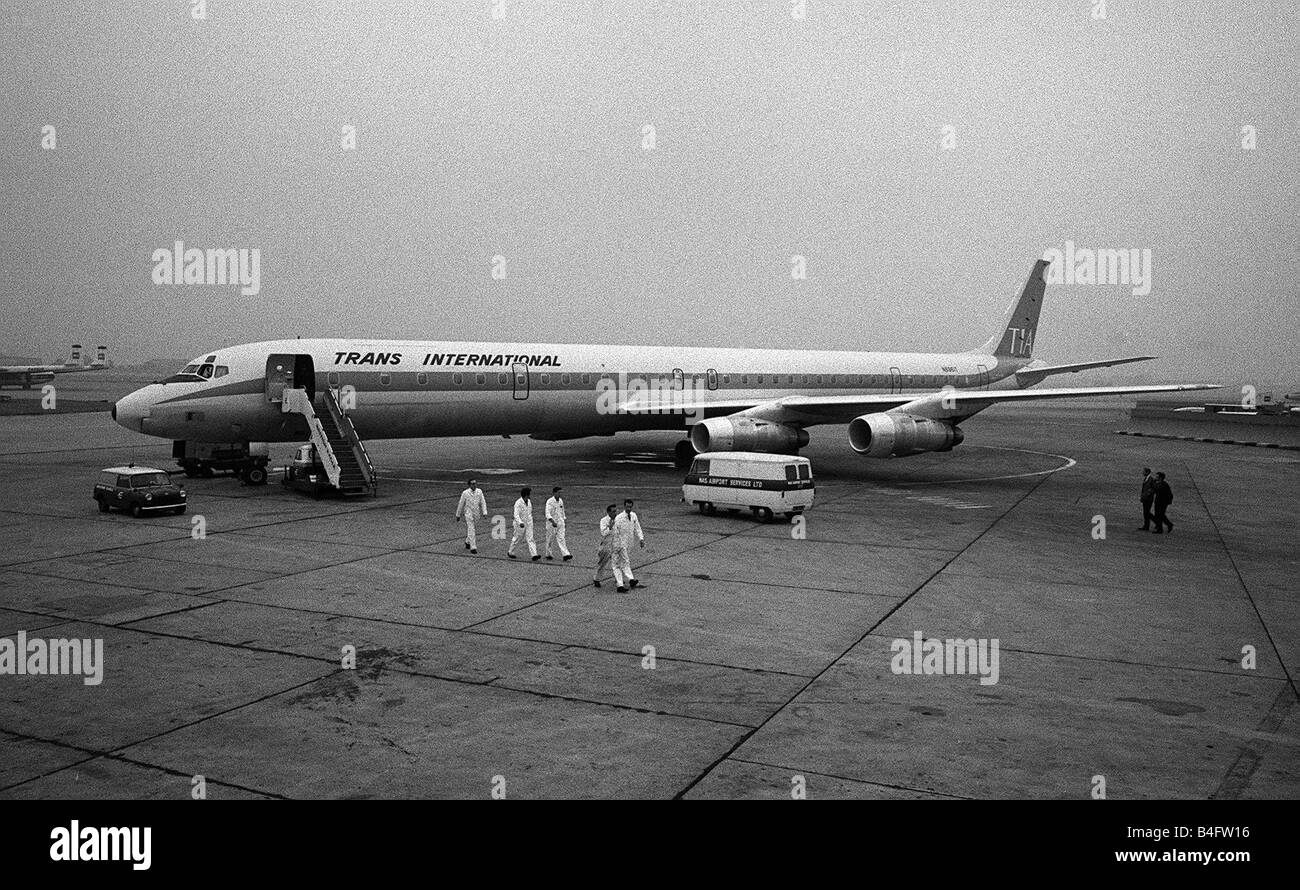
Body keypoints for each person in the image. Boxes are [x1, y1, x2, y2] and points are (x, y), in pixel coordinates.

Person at [611, 498, 646, 592]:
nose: (629, 508)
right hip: (620, 544)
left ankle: (622, 580)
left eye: (630, 507)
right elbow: (615, 532)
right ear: (624, 506)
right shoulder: (619, 518)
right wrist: (615, 544)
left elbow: (637, 527)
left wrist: (641, 538)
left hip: (629, 543)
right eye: (627, 506)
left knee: (624, 562)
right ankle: (626, 581)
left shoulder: (633, 516)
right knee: (622, 563)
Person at [454, 478, 488, 554]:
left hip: (476, 513)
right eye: (472, 484)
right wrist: (458, 514)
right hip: (468, 513)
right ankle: (473, 547)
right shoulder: (465, 493)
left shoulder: (479, 491)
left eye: (475, 483)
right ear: (469, 485)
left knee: (471, 529)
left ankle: (467, 541)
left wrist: (484, 512)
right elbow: (461, 504)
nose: (474, 485)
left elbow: (483, 502)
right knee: (471, 529)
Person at [508, 487, 540, 560]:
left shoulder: (529, 501)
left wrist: (530, 521)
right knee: (517, 538)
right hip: (519, 524)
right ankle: (511, 552)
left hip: (528, 523)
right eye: (529, 494)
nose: (530, 495)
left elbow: (529, 512)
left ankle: (534, 555)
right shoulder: (518, 503)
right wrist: (520, 522)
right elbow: (516, 515)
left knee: (530, 538)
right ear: (526, 495)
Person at [593, 504, 618, 588]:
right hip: (606, 544)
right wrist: (610, 528)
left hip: (616, 543)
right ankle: (597, 579)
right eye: (613, 511)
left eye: (616, 511)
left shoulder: (618, 519)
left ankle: (618, 579)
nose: (615, 513)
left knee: (617, 562)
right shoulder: (603, 520)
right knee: (602, 563)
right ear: (608, 512)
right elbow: (603, 533)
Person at [544, 486, 572, 561]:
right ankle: (548, 554)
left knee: (561, 538)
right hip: (551, 524)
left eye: (561, 493)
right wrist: (552, 521)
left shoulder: (560, 501)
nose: (560, 494)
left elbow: (562, 511)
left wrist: (564, 520)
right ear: (554, 493)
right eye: (558, 492)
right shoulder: (549, 501)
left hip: (560, 523)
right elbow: (547, 513)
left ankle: (565, 554)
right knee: (550, 539)